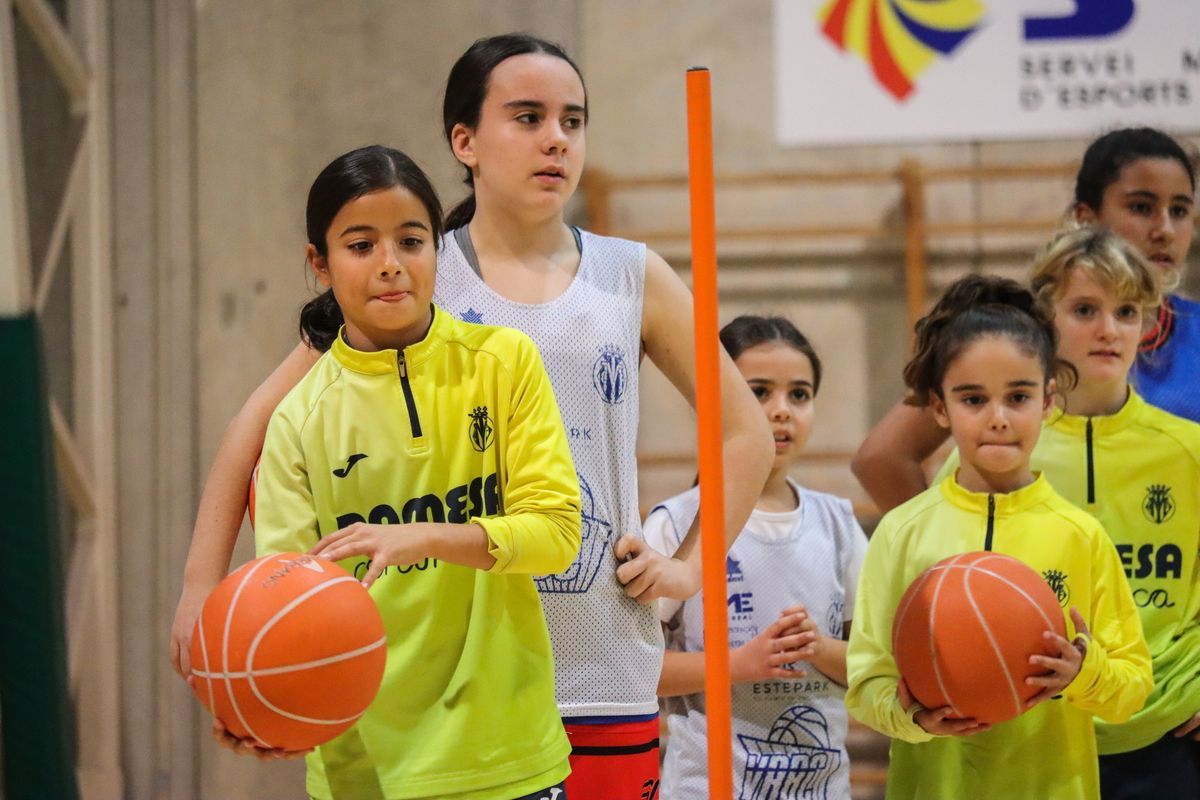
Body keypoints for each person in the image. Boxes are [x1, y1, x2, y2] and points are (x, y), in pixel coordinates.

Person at [170, 34, 772, 799]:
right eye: (527, 117)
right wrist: (199, 591)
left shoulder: (632, 274)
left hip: (603, 667)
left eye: (573, 120)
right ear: (465, 140)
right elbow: (254, 432)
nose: (556, 138)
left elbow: (742, 431)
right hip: (444, 694)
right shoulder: (412, 270)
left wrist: (687, 564)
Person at [225, 144, 581, 799]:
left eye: (411, 241)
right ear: (320, 264)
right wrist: (256, 698)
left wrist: (423, 536)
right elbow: (286, 613)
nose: (390, 265)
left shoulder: (503, 363)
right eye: (360, 246)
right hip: (368, 774)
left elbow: (557, 533)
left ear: (437, 251)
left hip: (508, 759)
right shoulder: (298, 423)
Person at [845, 273, 1152, 799]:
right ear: (940, 408)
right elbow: (865, 682)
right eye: (973, 399)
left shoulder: (1080, 535)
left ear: (1048, 401)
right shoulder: (903, 531)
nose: (999, 419)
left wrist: (1084, 673)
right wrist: (912, 715)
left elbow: (1132, 686)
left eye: (1018, 396)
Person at [934, 226, 1200, 798]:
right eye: (1085, 309)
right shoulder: (995, 448)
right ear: (1046, 320)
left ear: (1149, 325)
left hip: (1166, 730)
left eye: (1127, 311)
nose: (1108, 329)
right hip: (1033, 728)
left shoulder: (1189, 451)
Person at [852, 127, 1197, 512]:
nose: (1165, 229)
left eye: (1180, 211)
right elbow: (882, 456)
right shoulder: (1018, 338)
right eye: (1141, 207)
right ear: (1086, 218)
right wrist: (956, 548)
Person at [644, 315, 867, 800]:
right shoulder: (675, 524)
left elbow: (876, 665)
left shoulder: (838, 524)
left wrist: (817, 649)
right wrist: (740, 663)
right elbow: (635, 668)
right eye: (759, 392)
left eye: (799, 394)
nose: (781, 410)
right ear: (712, 400)